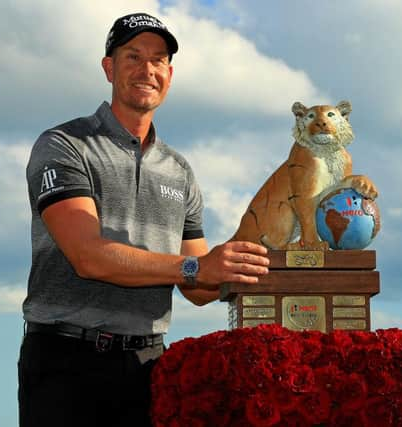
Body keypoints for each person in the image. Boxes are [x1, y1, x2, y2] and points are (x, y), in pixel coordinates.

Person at [18, 12, 270, 427]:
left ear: (169, 75)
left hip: (149, 365)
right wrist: (197, 267)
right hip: (65, 364)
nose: (147, 69)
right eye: (133, 56)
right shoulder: (64, 145)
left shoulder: (179, 170)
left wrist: (257, 253)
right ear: (108, 67)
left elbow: (200, 288)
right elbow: (88, 257)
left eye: (158, 60)